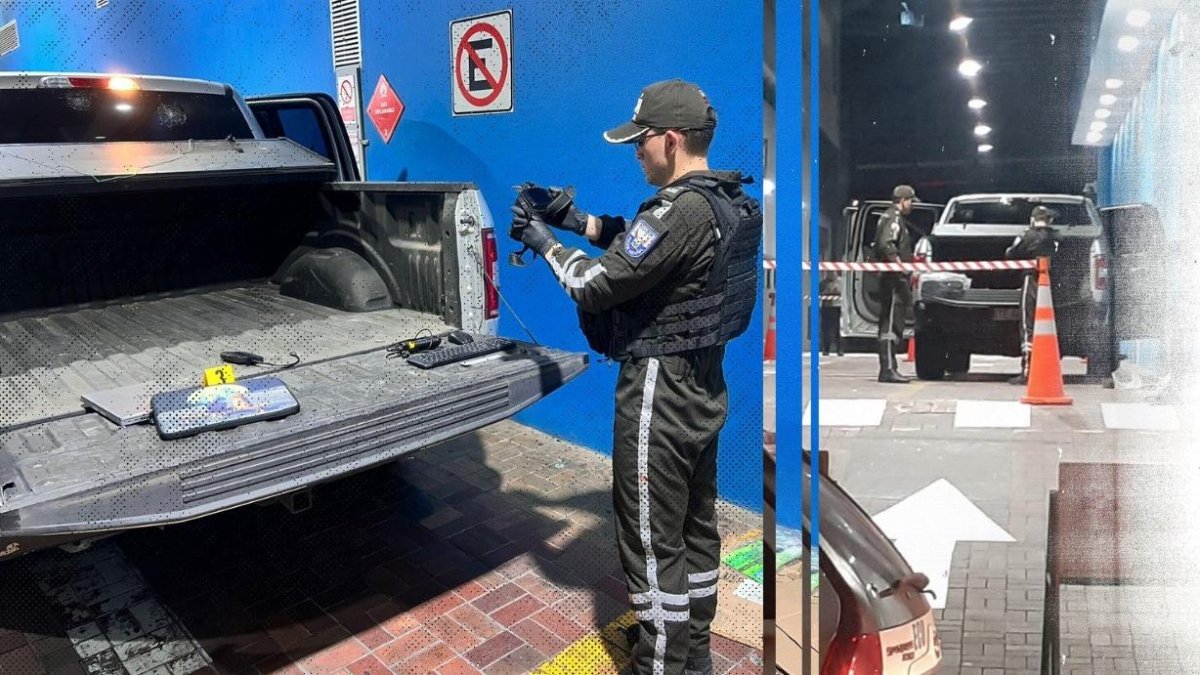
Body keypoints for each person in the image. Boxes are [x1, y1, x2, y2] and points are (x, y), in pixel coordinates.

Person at [508, 79, 761, 675]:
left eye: (641, 142)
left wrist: (543, 241)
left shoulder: (679, 209)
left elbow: (595, 286)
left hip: (659, 391)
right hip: (702, 388)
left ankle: (661, 664)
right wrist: (574, 218)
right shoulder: (722, 202)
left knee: (651, 547)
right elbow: (642, 245)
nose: (635, 152)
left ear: (670, 140)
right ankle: (693, 655)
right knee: (697, 533)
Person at [1005, 204, 1061, 384]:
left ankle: (1027, 371)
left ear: (1032, 219)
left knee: (1027, 325)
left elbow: (1011, 253)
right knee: (1048, 326)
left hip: (1031, 280)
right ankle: (1047, 370)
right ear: (1049, 220)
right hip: (1052, 284)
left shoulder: (1026, 236)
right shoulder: (1057, 237)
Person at [872, 185, 918, 383]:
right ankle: (888, 368)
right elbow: (887, 244)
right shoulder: (894, 218)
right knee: (891, 323)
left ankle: (889, 367)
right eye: (910, 201)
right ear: (903, 200)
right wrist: (901, 267)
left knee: (889, 323)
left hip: (891, 279)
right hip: (893, 280)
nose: (911, 205)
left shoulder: (888, 216)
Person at [819, 272, 844, 356]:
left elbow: (842, 293)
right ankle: (826, 349)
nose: (830, 274)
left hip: (837, 307)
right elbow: (820, 294)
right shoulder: (823, 283)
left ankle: (839, 349)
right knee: (826, 330)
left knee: (838, 329)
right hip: (826, 307)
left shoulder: (841, 282)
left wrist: (835, 292)